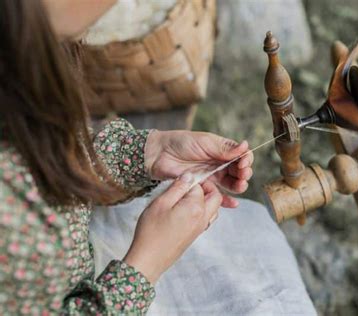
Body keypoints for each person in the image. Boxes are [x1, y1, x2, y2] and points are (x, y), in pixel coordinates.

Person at [0, 0, 253, 313]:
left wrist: (147, 152)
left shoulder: (25, 59)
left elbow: (57, 154)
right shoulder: (9, 213)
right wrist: (144, 266)